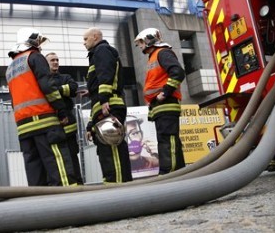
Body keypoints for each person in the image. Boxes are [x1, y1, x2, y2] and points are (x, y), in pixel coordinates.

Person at [6, 28, 78, 186]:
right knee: (58, 165)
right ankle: (68, 202)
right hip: (45, 121)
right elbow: (48, 87)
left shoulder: (11, 68)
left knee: (35, 169)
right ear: (31, 41)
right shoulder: (35, 57)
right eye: (38, 41)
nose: (40, 45)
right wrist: (61, 111)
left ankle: (40, 205)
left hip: (24, 127)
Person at [82, 27, 133, 183]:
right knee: (106, 148)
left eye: (86, 39)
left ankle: (118, 186)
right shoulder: (97, 53)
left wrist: (104, 99)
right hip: (104, 106)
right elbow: (101, 82)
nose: (83, 43)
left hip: (110, 105)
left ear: (95, 37)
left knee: (112, 147)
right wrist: (91, 124)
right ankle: (113, 182)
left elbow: (106, 75)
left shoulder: (102, 50)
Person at [134, 28, 186, 175]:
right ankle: (178, 172)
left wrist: (165, 92)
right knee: (168, 140)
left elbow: (178, 72)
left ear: (149, 39)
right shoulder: (153, 57)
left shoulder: (162, 53)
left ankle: (170, 173)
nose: (140, 46)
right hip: (160, 106)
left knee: (167, 140)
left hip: (166, 103)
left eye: (141, 42)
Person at [45, 52, 84, 184]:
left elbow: (73, 89)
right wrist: (63, 90)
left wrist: (54, 89)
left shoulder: (65, 77)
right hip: (53, 124)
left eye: (57, 60)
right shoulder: (43, 80)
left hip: (69, 125)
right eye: (52, 60)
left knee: (72, 156)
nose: (55, 62)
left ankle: (78, 184)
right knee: (57, 159)